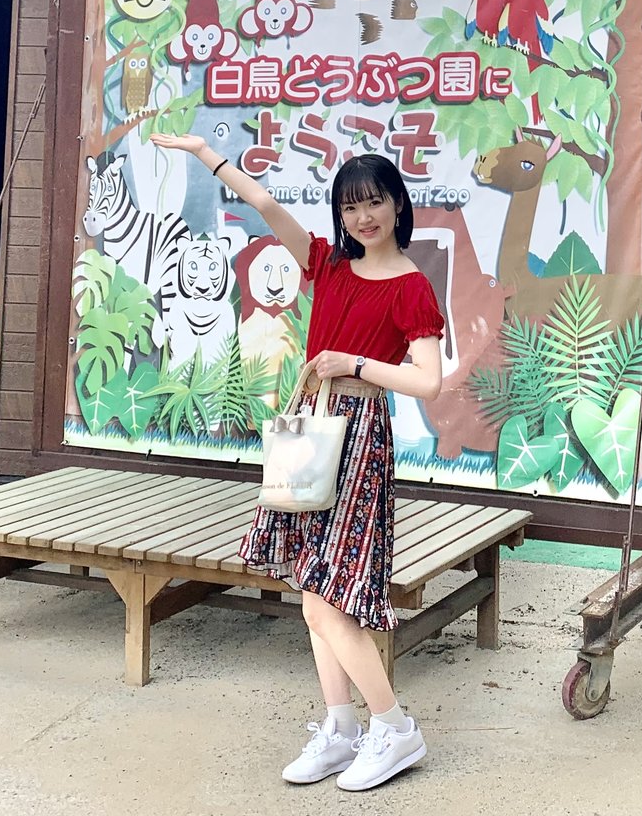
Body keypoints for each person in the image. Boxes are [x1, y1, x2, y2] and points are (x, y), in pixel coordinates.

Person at [150, 133, 445, 791]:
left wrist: (354, 364)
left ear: (398, 206)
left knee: (328, 596)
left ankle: (393, 728)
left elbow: (430, 383)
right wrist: (203, 153)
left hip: (360, 436)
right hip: (310, 427)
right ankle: (341, 730)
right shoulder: (327, 265)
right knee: (311, 589)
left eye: (374, 204)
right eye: (350, 208)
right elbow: (262, 200)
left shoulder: (411, 287)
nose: (362, 217)